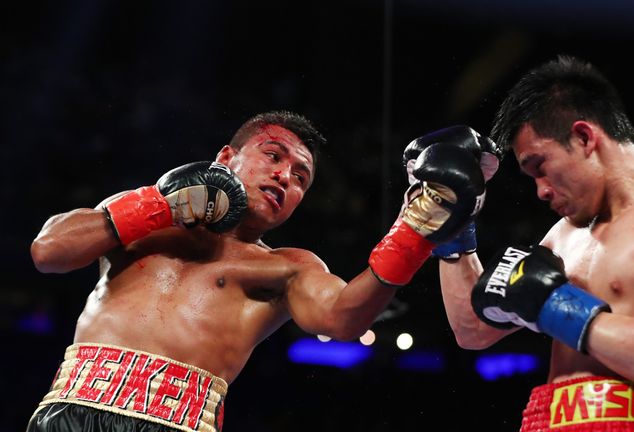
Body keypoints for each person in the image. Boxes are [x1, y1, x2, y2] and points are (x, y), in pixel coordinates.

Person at [27, 110, 489, 432]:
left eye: (302, 177)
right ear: (226, 157)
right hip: (72, 407)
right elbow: (48, 251)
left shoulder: (286, 266)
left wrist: (414, 231)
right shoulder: (143, 217)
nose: (286, 176)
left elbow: (344, 318)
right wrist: (160, 206)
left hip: (179, 422)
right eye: (274, 156)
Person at [435, 56, 634, 431]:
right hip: (544, 419)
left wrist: (552, 305)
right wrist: (453, 230)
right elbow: (473, 331)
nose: (541, 191)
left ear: (583, 137)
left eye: (540, 166)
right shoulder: (564, 234)